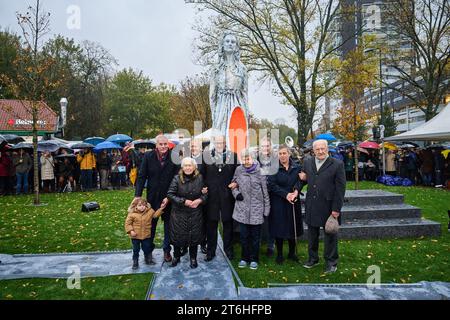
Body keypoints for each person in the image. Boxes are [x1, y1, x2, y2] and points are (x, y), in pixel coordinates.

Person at [299, 139, 346, 274]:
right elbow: (303, 177)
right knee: (312, 235)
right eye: (317, 149)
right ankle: (312, 259)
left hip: (329, 206)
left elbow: (340, 189)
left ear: (327, 149)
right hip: (312, 205)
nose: (320, 151)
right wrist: (297, 188)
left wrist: (336, 209)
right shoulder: (308, 162)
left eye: (323, 148)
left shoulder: (337, 164)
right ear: (313, 150)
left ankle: (331, 262)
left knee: (330, 236)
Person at [134, 135, 179, 263]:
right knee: (150, 226)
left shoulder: (174, 157)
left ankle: (166, 250)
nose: (164, 146)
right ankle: (148, 252)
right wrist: (138, 195)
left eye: (165, 144)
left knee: (169, 226)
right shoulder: (148, 156)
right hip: (152, 198)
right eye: (161, 144)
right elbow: (142, 176)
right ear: (156, 145)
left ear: (168, 145)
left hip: (168, 198)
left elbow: (177, 179)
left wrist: (169, 196)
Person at [232, 149, 270, 270]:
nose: (246, 161)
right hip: (242, 208)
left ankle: (254, 259)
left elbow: (265, 191)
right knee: (244, 236)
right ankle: (244, 258)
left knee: (255, 237)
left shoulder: (260, 172)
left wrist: (266, 209)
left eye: (248, 158)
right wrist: (236, 193)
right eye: (244, 158)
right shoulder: (238, 170)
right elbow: (233, 184)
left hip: (256, 209)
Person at [167, 157, 208, 269]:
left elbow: (205, 194)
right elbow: (170, 194)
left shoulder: (200, 178)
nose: (188, 168)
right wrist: (184, 201)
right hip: (179, 212)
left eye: (190, 165)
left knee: (194, 236)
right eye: (185, 165)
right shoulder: (176, 179)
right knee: (178, 235)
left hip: (195, 212)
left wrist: (200, 200)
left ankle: (193, 258)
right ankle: (176, 256)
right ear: (182, 167)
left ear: (194, 167)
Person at [267, 144, 303, 264]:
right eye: (280, 153)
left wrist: (296, 191)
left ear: (289, 154)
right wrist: (286, 195)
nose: (282, 156)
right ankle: (280, 254)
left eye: (284, 153)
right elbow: (271, 185)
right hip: (279, 201)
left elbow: (301, 181)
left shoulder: (297, 167)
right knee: (279, 227)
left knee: (293, 226)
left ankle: (292, 253)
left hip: (293, 200)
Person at [204, 135, 238, 261]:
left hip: (227, 195)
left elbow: (238, 173)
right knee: (211, 224)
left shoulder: (233, 156)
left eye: (222, 143)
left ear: (225, 143)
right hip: (211, 196)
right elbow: (202, 174)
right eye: (217, 143)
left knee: (228, 223)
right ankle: (210, 251)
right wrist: (203, 187)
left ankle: (228, 250)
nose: (219, 145)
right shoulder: (206, 156)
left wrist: (236, 183)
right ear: (214, 143)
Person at [209, 31, 248, 136]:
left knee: (236, 137)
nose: (230, 43)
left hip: (237, 105)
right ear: (222, 44)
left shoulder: (242, 68)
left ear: (236, 46)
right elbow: (212, 94)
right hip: (221, 105)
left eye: (233, 42)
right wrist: (214, 113)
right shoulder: (216, 68)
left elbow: (244, 93)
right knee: (220, 137)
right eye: (227, 41)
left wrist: (246, 113)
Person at [125, 198, 165, 270]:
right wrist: (131, 231)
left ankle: (148, 259)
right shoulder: (132, 214)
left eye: (144, 205)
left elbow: (155, 215)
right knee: (136, 249)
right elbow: (128, 224)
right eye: (140, 205)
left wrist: (161, 209)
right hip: (135, 236)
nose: (142, 207)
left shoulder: (150, 211)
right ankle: (135, 261)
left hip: (146, 235)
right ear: (135, 206)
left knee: (147, 248)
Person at [257, 136, 278, 257]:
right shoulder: (256, 158)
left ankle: (271, 245)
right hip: (259, 193)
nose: (265, 148)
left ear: (270, 147)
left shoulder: (275, 159)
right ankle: (257, 243)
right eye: (263, 146)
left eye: (267, 146)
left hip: (272, 192)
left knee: (271, 220)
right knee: (258, 219)